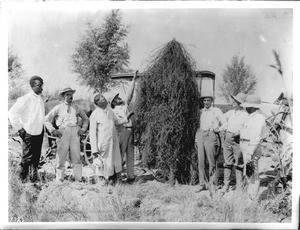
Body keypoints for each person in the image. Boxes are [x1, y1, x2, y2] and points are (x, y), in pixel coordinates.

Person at [44, 87, 89, 182]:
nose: (70, 97)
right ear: (63, 97)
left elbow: (85, 119)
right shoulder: (58, 108)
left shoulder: (76, 107)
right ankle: (60, 180)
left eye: (71, 95)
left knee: (76, 156)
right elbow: (46, 119)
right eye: (67, 95)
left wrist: (83, 129)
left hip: (74, 132)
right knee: (61, 156)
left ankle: (78, 180)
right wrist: (52, 130)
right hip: (63, 132)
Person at [8, 76, 45, 183]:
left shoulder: (40, 100)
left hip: (39, 132)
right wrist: (20, 129)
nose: (41, 88)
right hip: (28, 132)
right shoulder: (26, 99)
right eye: (39, 85)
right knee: (27, 158)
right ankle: (22, 181)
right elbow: (12, 113)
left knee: (36, 157)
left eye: (42, 85)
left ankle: (33, 180)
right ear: (32, 86)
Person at [89, 94, 130, 185]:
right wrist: (94, 150)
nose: (105, 98)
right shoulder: (94, 115)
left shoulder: (110, 111)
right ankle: (103, 181)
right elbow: (92, 133)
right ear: (98, 102)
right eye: (102, 98)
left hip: (113, 141)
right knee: (104, 162)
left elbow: (117, 122)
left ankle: (113, 179)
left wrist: (126, 119)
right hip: (104, 142)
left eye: (104, 97)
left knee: (114, 160)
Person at [110, 71, 138, 183]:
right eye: (117, 98)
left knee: (131, 154)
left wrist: (134, 80)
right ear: (113, 102)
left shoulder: (125, 105)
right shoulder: (113, 111)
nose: (119, 98)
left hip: (130, 131)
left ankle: (131, 177)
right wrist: (127, 117)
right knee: (120, 155)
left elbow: (129, 94)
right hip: (122, 132)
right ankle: (118, 176)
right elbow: (117, 123)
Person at [219, 93, 248, 192]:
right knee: (227, 162)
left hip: (238, 140)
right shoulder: (230, 112)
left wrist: (240, 132)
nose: (233, 102)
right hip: (228, 139)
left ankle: (239, 186)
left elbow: (248, 128)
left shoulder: (245, 115)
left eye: (235, 101)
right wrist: (223, 127)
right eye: (234, 100)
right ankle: (225, 185)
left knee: (238, 163)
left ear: (240, 103)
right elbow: (221, 118)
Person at [195, 94, 225, 192]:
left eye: (208, 100)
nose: (206, 102)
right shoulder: (200, 112)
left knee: (211, 161)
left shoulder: (216, 111)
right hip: (200, 135)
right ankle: (202, 184)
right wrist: (196, 139)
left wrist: (218, 129)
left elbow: (225, 123)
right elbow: (198, 126)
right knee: (201, 161)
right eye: (205, 100)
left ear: (212, 101)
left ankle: (213, 184)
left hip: (211, 135)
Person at [240, 94, 267, 197]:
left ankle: (252, 197)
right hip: (246, 146)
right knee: (247, 172)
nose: (245, 108)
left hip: (251, 148)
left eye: (247, 106)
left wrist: (249, 153)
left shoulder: (258, 118)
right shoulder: (250, 117)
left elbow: (256, 137)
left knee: (253, 173)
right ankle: (249, 194)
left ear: (253, 106)